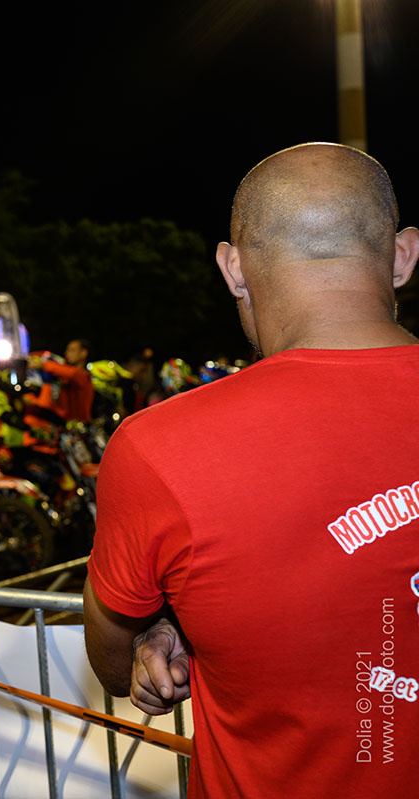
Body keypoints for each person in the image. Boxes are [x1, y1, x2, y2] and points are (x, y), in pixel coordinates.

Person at [83, 143, 419, 797]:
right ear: (403, 254)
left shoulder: (159, 447)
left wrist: (158, 634)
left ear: (233, 268)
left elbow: (112, 650)